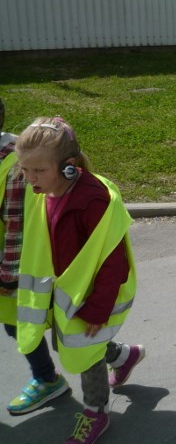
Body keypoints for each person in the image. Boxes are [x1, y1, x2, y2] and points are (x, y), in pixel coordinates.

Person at [14, 117, 145, 444]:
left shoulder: (92, 200)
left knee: (84, 353)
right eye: (24, 169)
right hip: (69, 293)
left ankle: (96, 413)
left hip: (92, 297)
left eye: (38, 171)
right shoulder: (44, 190)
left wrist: (98, 310)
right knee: (75, 343)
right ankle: (124, 355)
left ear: (69, 166)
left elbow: (113, 262)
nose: (30, 179)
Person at [1, 100, 70, 417]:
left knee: (38, 324)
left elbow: (16, 225)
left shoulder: (16, 166)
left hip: (19, 265)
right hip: (14, 264)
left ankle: (47, 380)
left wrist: (8, 276)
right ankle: (117, 356)